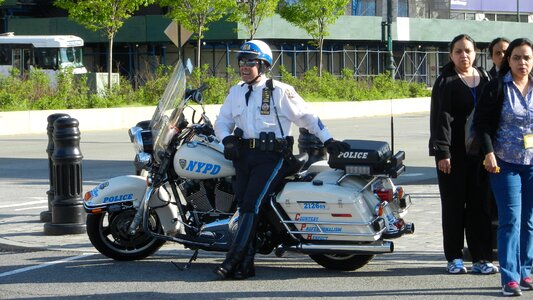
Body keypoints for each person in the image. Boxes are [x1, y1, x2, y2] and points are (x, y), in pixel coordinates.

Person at [213, 40, 348, 280]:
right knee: (244, 204)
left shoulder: (279, 91)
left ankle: (233, 259)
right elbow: (222, 121)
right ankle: (246, 265)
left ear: (263, 65)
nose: (245, 67)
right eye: (242, 61)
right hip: (243, 155)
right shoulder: (235, 91)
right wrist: (226, 140)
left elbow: (307, 117)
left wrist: (328, 140)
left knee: (251, 204)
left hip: (272, 156)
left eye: (251, 62)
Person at [429, 34, 498, 275]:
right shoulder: (445, 81)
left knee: (481, 206)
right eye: (458, 51)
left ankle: (481, 258)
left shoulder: (486, 77)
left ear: (475, 52)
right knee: (454, 206)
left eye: (467, 50)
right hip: (453, 155)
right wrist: (442, 152)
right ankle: (455, 257)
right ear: (451, 55)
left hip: (481, 154)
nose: (463, 55)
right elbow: (440, 118)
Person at [473, 38, 533, 297]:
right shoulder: (497, 87)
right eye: (517, 57)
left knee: (529, 221)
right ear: (508, 60)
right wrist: (488, 153)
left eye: (527, 58)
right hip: (504, 163)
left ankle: (526, 271)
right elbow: (482, 124)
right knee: (511, 220)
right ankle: (509, 277)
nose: (522, 62)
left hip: (531, 164)